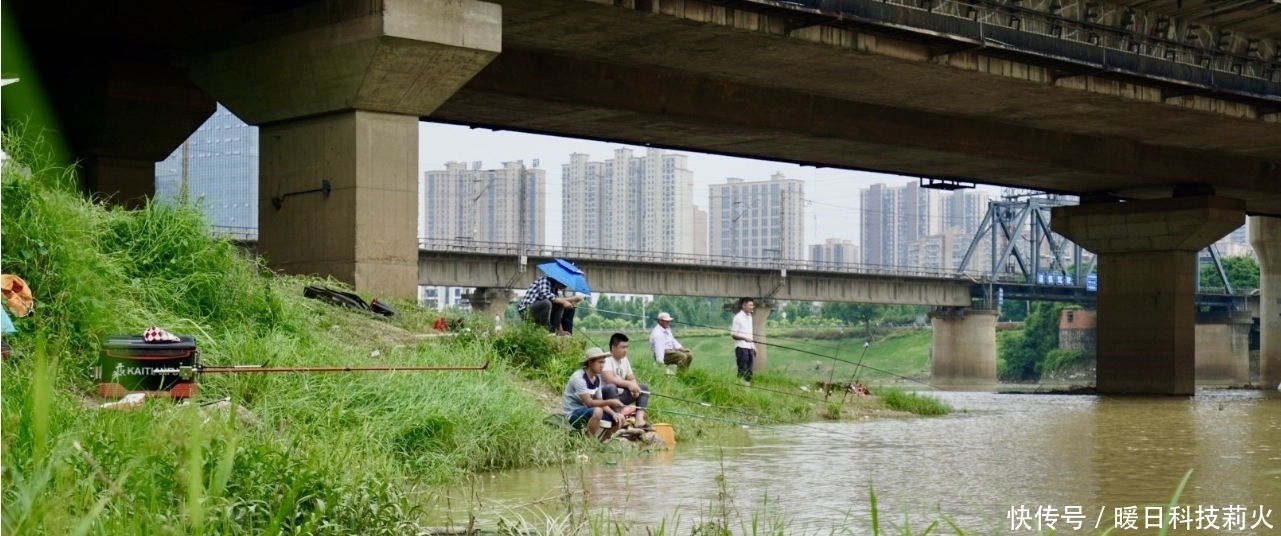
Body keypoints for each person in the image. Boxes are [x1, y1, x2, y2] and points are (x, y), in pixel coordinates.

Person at [562, 347, 624, 442]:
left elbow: (600, 401)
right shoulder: (579, 378)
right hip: (573, 413)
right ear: (590, 362)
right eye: (600, 362)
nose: (602, 365)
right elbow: (589, 403)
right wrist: (612, 401)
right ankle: (590, 442)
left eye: (603, 362)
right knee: (598, 411)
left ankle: (601, 443)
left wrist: (614, 413)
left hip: (588, 411)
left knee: (620, 418)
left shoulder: (597, 378)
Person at [600, 333, 653, 430]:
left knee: (643, 389)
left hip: (620, 397)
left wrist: (635, 388)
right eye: (623, 347)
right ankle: (619, 418)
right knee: (611, 387)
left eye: (627, 347)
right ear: (613, 347)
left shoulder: (624, 360)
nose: (626, 350)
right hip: (606, 398)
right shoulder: (607, 359)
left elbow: (631, 378)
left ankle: (639, 420)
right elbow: (609, 379)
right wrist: (628, 384)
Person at [518, 275, 584, 335]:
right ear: (559, 280)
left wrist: (561, 330)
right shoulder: (544, 280)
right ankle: (546, 330)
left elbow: (557, 303)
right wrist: (572, 299)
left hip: (539, 311)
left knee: (560, 304)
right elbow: (546, 295)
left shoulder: (554, 290)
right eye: (565, 284)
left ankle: (555, 331)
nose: (565, 287)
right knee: (547, 303)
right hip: (526, 311)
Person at [730, 297, 756, 384]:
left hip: (750, 347)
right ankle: (740, 387)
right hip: (741, 347)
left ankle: (747, 388)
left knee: (749, 370)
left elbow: (750, 334)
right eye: (750, 305)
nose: (752, 307)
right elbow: (733, 334)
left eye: (753, 305)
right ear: (744, 305)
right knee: (742, 369)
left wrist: (754, 347)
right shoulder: (738, 317)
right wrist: (744, 338)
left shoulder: (750, 317)